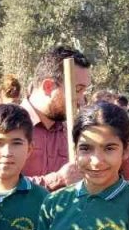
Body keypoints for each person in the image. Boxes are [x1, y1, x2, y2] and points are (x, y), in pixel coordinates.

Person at [21, 46, 91, 191]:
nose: (81, 100)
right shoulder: (6, 126)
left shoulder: (71, 132)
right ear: (48, 87)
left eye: (84, 91)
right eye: (77, 90)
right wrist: (58, 179)